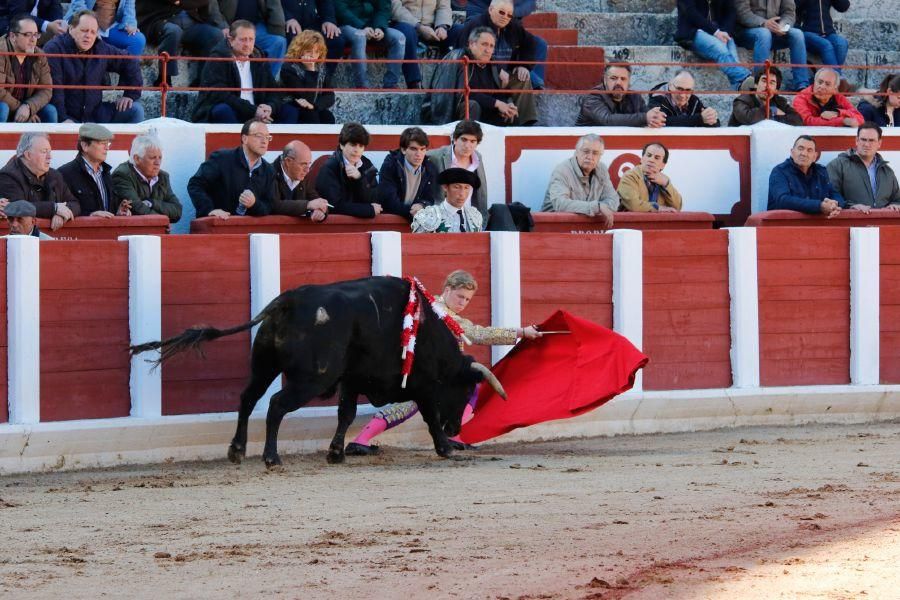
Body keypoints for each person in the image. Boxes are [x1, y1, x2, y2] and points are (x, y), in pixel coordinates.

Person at [345, 269, 541, 455]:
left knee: (464, 391)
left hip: (425, 370)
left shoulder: (429, 307)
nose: (463, 302)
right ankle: (362, 440)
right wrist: (521, 332)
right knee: (419, 401)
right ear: (447, 290)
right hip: (422, 371)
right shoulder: (441, 313)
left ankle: (363, 440)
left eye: (467, 299)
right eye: (460, 296)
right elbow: (477, 333)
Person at [44, 10, 144, 123]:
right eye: (84, 31)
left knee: (136, 110)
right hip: (67, 115)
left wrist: (130, 94)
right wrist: (63, 118)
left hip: (95, 115)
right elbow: (55, 89)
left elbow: (129, 61)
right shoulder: (54, 49)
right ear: (71, 29)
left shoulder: (100, 47)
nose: (88, 36)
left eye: (93, 32)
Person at [424, 27, 537, 126]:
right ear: (472, 44)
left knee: (510, 114)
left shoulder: (491, 65)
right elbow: (463, 93)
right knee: (472, 105)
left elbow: (497, 93)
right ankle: (468, 140)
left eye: (491, 46)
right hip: (454, 112)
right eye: (484, 44)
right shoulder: (460, 58)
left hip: (486, 111)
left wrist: (507, 103)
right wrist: (497, 104)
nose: (488, 50)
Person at [192, 20, 281, 124]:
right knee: (222, 110)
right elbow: (219, 94)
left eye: (251, 39)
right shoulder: (218, 58)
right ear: (231, 40)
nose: (247, 44)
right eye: (243, 40)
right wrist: (252, 110)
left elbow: (274, 91)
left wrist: (270, 107)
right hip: (234, 110)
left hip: (257, 111)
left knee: (289, 111)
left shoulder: (259, 59)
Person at [188, 119, 276, 218]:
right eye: (259, 136)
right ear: (244, 139)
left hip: (249, 229)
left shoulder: (268, 170)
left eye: (268, 137)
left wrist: (254, 204)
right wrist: (209, 210)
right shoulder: (222, 158)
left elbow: (269, 206)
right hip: (218, 225)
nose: (264, 141)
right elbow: (195, 184)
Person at [0, 132, 80, 231]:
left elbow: (75, 204)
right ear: (28, 155)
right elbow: (18, 207)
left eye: (50, 152)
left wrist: (62, 214)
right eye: (44, 152)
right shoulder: (8, 176)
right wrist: (54, 209)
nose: (49, 157)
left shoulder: (54, 175)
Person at [137, 0, 227, 87]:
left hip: (190, 24)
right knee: (173, 31)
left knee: (215, 35)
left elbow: (205, 1)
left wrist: (181, 2)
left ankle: (203, 82)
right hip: (159, 20)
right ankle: (164, 78)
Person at [461, 0, 544, 89]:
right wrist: (497, 70)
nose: (505, 17)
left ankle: (536, 86)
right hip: (480, 75)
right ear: (491, 9)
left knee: (523, 79)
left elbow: (529, 41)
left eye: (509, 15)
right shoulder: (476, 25)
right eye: (501, 12)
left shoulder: (511, 25)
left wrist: (523, 65)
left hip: (506, 73)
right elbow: (467, 52)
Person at [542, 134, 619, 227]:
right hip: (554, 227)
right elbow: (560, 204)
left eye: (595, 153)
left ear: (600, 156)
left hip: (586, 228)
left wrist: (601, 207)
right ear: (576, 152)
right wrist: (597, 207)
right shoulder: (562, 170)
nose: (590, 157)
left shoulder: (602, 169)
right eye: (586, 151)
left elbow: (613, 200)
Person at [334, 0, 413, 89]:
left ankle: (390, 84)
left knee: (399, 37)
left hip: (373, 25)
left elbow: (383, 8)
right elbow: (340, 10)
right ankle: (362, 86)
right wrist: (362, 27)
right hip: (347, 25)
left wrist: (379, 27)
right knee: (360, 36)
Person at [734, 0, 811, 91]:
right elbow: (742, 13)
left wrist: (782, 26)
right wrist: (764, 23)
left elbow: (789, 12)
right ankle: (760, 83)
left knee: (797, 34)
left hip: (775, 30)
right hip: (748, 31)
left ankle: (801, 85)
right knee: (764, 34)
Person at [675, 0, 752, 90]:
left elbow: (730, 12)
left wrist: (724, 32)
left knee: (734, 57)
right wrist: (715, 32)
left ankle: (740, 89)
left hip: (719, 32)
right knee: (720, 50)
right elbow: (691, 13)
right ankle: (747, 78)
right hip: (694, 32)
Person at [59, 123, 132, 218]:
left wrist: (118, 211)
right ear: (85, 146)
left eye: (108, 143)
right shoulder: (65, 174)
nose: (107, 148)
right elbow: (62, 210)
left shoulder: (105, 172)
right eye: (102, 143)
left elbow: (108, 211)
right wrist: (90, 215)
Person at [826, 123, 900, 213]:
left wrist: (895, 204)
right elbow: (829, 196)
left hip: (882, 224)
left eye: (871, 140)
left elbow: (897, 199)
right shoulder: (837, 165)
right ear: (857, 140)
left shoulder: (887, 171)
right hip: (850, 223)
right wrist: (850, 206)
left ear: (879, 143)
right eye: (863, 139)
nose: (867, 144)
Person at [111, 133, 184, 222]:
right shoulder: (122, 175)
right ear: (137, 159)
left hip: (156, 232)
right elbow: (137, 209)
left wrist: (151, 203)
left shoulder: (163, 177)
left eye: (160, 157)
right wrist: (162, 222)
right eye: (153, 158)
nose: (158, 162)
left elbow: (177, 211)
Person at [315, 122, 382, 218]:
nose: (357, 150)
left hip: (363, 225)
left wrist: (359, 178)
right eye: (353, 145)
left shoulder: (367, 164)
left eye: (361, 146)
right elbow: (333, 206)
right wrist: (368, 210)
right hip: (337, 227)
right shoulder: (330, 167)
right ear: (342, 145)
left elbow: (375, 199)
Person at [768, 135, 844, 216]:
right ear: (792, 152)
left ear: (815, 156)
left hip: (817, 226)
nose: (804, 153)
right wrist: (819, 206)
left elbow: (835, 194)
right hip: (784, 225)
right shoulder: (779, 171)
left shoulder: (821, 172)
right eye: (800, 149)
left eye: (809, 150)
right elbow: (782, 200)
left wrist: (834, 205)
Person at [0, 14, 56, 123]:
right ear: (12, 36)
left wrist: (29, 107)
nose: (33, 40)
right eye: (27, 35)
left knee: (50, 111)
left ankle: (46, 141)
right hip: (6, 105)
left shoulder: (39, 55)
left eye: (35, 35)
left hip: (26, 107)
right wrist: (19, 108)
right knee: (3, 108)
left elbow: (46, 90)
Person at [427, 119, 488, 217]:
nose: (468, 146)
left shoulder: (477, 158)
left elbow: (481, 194)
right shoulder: (436, 156)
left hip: (470, 219)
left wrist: (481, 220)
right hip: (443, 219)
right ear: (455, 139)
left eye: (472, 141)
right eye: (464, 140)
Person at [576, 62, 666, 127]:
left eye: (623, 79)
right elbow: (607, 120)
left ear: (628, 82)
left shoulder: (635, 97)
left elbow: (648, 116)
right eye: (613, 78)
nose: (618, 82)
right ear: (604, 80)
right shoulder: (592, 97)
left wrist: (655, 118)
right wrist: (645, 118)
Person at [377, 127, 438, 221]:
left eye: (422, 149)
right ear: (403, 150)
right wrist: (415, 211)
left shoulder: (429, 168)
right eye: (414, 149)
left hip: (417, 222)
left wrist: (422, 205)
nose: (419, 154)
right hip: (389, 221)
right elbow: (389, 202)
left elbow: (430, 198)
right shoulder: (391, 165)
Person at [278, 29, 335, 124]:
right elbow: (304, 96)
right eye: (309, 51)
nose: (313, 55)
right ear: (300, 50)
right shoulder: (288, 67)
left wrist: (314, 106)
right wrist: (310, 70)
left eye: (316, 52)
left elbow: (330, 96)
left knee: (328, 117)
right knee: (310, 115)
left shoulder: (321, 68)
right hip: (292, 105)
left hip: (311, 105)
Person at [281, 0, 347, 82]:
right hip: (286, 23)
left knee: (336, 40)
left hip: (311, 22)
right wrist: (288, 18)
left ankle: (323, 81)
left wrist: (328, 20)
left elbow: (325, 2)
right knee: (293, 40)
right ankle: (295, 82)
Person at [218, 0, 286, 77]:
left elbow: (275, 8)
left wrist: (279, 31)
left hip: (256, 27)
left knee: (279, 42)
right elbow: (213, 8)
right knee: (217, 37)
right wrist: (222, 25)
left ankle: (266, 81)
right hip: (229, 25)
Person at [270, 140, 330, 220]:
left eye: (309, 164)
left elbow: (316, 200)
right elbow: (274, 205)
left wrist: (320, 211)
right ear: (288, 161)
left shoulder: (303, 175)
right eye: (303, 164)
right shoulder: (269, 173)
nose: (307, 170)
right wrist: (308, 205)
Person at [617, 142, 683, 213]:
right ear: (642, 159)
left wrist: (666, 184)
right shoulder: (630, 176)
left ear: (663, 165)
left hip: (657, 223)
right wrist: (658, 208)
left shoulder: (663, 180)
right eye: (648, 155)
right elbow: (634, 205)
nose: (651, 160)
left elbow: (677, 207)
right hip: (633, 223)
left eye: (657, 158)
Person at [412, 167, 483, 232]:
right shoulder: (428, 216)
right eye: (456, 187)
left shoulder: (475, 216)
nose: (462, 194)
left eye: (466, 188)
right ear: (445, 187)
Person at [64, 0, 146, 56]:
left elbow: (129, 8)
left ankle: (126, 79)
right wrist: (92, 28)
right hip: (84, 22)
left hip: (110, 26)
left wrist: (131, 24)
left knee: (138, 40)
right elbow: (78, 4)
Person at [729, 66, 803, 126]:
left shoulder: (780, 102)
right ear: (756, 84)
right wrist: (772, 110)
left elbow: (797, 121)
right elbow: (748, 118)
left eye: (772, 83)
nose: (767, 86)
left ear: (776, 90)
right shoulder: (741, 101)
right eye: (764, 81)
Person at [793, 67, 864, 127]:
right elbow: (807, 121)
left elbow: (860, 119)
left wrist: (838, 113)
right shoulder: (801, 97)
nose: (822, 87)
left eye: (827, 84)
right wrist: (842, 121)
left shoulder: (838, 97)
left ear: (835, 89)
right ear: (814, 82)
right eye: (820, 82)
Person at [648, 69, 719, 127]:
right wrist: (699, 118)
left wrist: (710, 117)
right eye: (679, 89)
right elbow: (664, 122)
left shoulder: (694, 101)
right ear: (670, 86)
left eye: (688, 90)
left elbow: (714, 124)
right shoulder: (657, 98)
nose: (682, 95)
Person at [391, 0, 460, 57]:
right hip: (409, 24)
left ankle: (449, 69)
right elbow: (396, 8)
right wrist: (419, 27)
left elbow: (443, 7)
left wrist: (442, 26)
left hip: (433, 27)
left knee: (459, 30)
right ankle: (414, 73)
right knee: (408, 32)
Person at [795, 0, 849, 74]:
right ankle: (838, 79)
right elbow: (792, 7)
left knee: (842, 43)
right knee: (826, 45)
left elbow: (843, 7)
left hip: (828, 33)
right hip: (807, 33)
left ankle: (830, 77)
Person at [0, 1, 66, 44]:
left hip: (37, 26)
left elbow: (55, 6)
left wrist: (58, 26)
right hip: (8, 22)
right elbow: (19, 15)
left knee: (61, 38)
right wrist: (48, 25)